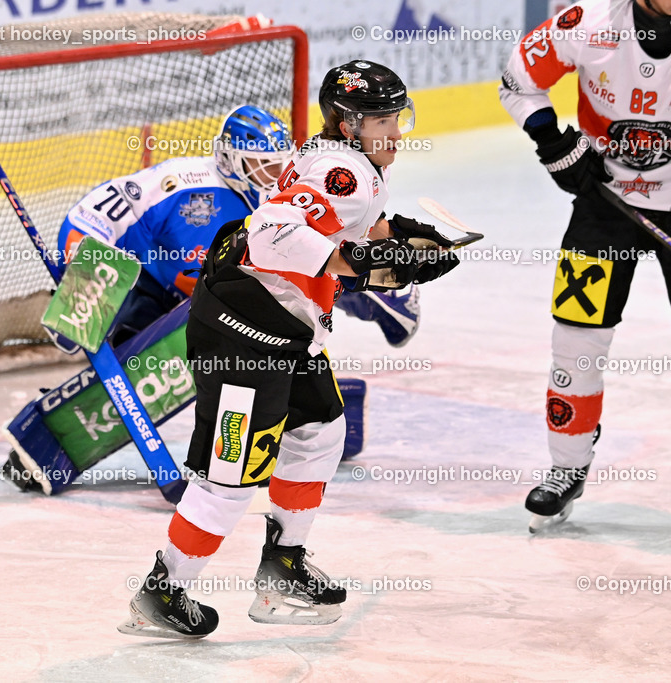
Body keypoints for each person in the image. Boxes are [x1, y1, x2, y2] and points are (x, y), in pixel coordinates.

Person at [118, 60, 460, 639]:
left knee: (321, 429)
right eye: (384, 119)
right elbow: (272, 236)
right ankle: (162, 592)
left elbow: (358, 232)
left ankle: (282, 567)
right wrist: (374, 262)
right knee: (229, 482)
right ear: (350, 124)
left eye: (398, 116)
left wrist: (402, 245)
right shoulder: (342, 172)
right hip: (243, 334)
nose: (397, 131)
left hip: (285, 329)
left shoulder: (351, 166)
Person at [499, 0, 671, 532]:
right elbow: (517, 81)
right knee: (576, 339)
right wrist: (553, 143)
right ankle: (567, 466)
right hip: (606, 206)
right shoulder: (588, 24)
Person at [56, 106, 422, 348]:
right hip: (153, 290)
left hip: (213, 303)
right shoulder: (180, 182)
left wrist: (386, 258)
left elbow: (335, 239)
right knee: (125, 346)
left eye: (280, 165)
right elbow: (91, 215)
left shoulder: (286, 191)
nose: (275, 177)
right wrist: (83, 271)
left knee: (313, 269)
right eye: (262, 166)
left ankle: (391, 301)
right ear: (230, 160)